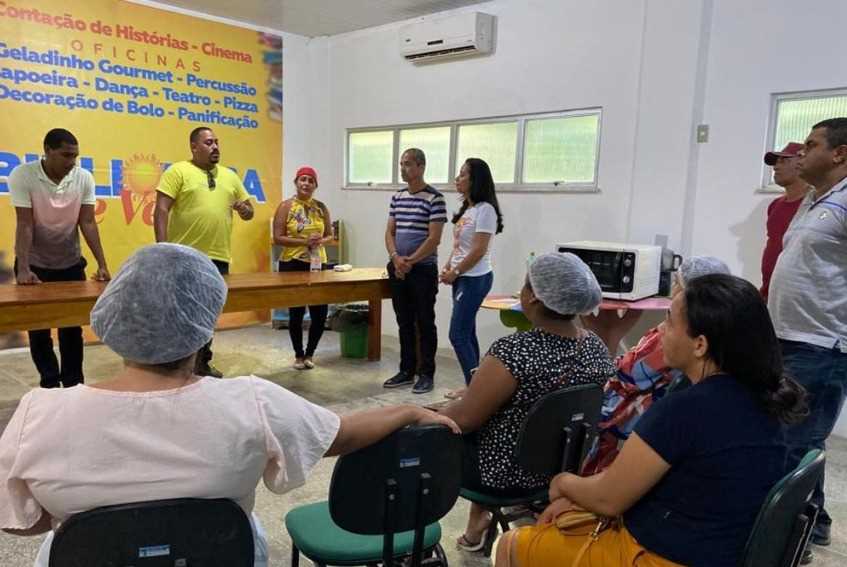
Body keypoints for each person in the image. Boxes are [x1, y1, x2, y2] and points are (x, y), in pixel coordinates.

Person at [0, 243, 460, 567]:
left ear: (114, 319)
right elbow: (341, 434)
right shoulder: (252, 402)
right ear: (204, 327)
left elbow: (21, 523)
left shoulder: (39, 414)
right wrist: (406, 411)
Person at [495, 274, 807, 567]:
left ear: (700, 344)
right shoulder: (765, 397)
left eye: (669, 321)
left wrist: (562, 482)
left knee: (510, 545)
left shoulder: (683, 410)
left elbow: (607, 499)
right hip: (719, 548)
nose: (660, 329)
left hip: (667, 556)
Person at [440, 253, 616, 552]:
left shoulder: (514, 352)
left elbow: (465, 419)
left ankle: (458, 527)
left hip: (502, 475)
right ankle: (477, 524)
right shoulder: (595, 347)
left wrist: (430, 413)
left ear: (533, 296)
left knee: (432, 433)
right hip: (564, 466)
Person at [768, 117, 847, 549]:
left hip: (823, 344)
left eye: (811, 144)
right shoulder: (815, 199)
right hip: (788, 336)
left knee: (800, 439)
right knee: (790, 438)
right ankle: (809, 520)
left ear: (839, 153)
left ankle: (797, 531)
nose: (802, 152)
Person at [582, 256, 731, 475]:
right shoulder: (720, 331)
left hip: (636, 419)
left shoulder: (673, 336)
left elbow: (630, 373)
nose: (672, 289)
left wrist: (609, 339)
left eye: (677, 282)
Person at [9, 128, 110, 389]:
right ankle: (50, 384)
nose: (71, 162)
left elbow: (88, 222)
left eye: (75, 156)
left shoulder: (83, 177)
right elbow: (25, 224)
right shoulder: (23, 175)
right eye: (66, 155)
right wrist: (23, 268)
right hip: (34, 266)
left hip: (70, 263)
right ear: (48, 151)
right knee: (38, 330)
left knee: (71, 330)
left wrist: (102, 264)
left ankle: (74, 385)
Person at [154, 126, 254, 378]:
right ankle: (174, 365)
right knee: (181, 312)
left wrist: (245, 210)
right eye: (209, 143)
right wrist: (163, 250)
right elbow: (161, 209)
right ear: (194, 147)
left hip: (218, 257)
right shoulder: (178, 171)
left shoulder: (230, 176)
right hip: (183, 256)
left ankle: (201, 364)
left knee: (208, 314)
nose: (215, 147)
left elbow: (249, 211)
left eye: (217, 142)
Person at [383, 148, 447, 394]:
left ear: (421, 167)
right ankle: (406, 370)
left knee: (425, 321)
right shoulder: (397, 197)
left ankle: (426, 373)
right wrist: (396, 259)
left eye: (408, 164)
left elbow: (434, 238)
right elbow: (390, 232)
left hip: (423, 270)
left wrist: (409, 261)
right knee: (404, 321)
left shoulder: (435, 198)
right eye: (401, 164)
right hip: (398, 267)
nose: (403, 168)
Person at [440, 158, 504, 393]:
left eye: (463, 174)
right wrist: (448, 267)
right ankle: (475, 386)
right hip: (461, 276)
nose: (457, 178)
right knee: (467, 332)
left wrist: (456, 271)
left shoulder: (486, 210)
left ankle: (475, 391)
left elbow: (478, 250)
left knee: (457, 334)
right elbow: (460, 246)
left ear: (475, 180)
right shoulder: (469, 209)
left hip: (475, 278)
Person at [272, 166, 333, 369]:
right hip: (292, 263)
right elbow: (278, 237)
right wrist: (304, 242)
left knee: (320, 312)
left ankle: (310, 354)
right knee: (296, 311)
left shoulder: (321, 207)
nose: (306, 183)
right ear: (296, 182)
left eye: (310, 180)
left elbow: (330, 235)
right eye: (303, 179)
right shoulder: (286, 206)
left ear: (315, 185)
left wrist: (320, 240)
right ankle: (298, 354)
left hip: (317, 263)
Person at [760, 142, 810, 299]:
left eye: (784, 161)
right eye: (776, 162)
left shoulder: (814, 205)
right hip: (769, 291)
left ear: (802, 162)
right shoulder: (775, 205)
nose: (775, 167)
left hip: (798, 296)